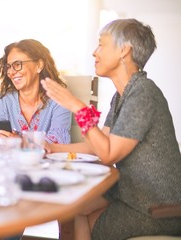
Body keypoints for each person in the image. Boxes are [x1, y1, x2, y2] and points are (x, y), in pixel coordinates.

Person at [41, 18, 181, 239]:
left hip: (157, 207)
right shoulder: (123, 95)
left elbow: (107, 154)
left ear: (124, 50)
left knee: (81, 216)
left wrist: (77, 107)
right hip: (132, 194)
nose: (94, 52)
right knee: (72, 206)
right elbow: (99, 144)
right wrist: (52, 147)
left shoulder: (143, 94)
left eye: (101, 44)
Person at [0, 39, 72, 150]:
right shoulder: (6, 100)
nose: (11, 72)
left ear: (39, 65)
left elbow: (58, 141)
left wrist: (19, 142)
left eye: (17, 64)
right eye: (8, 67)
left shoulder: (59, 99)